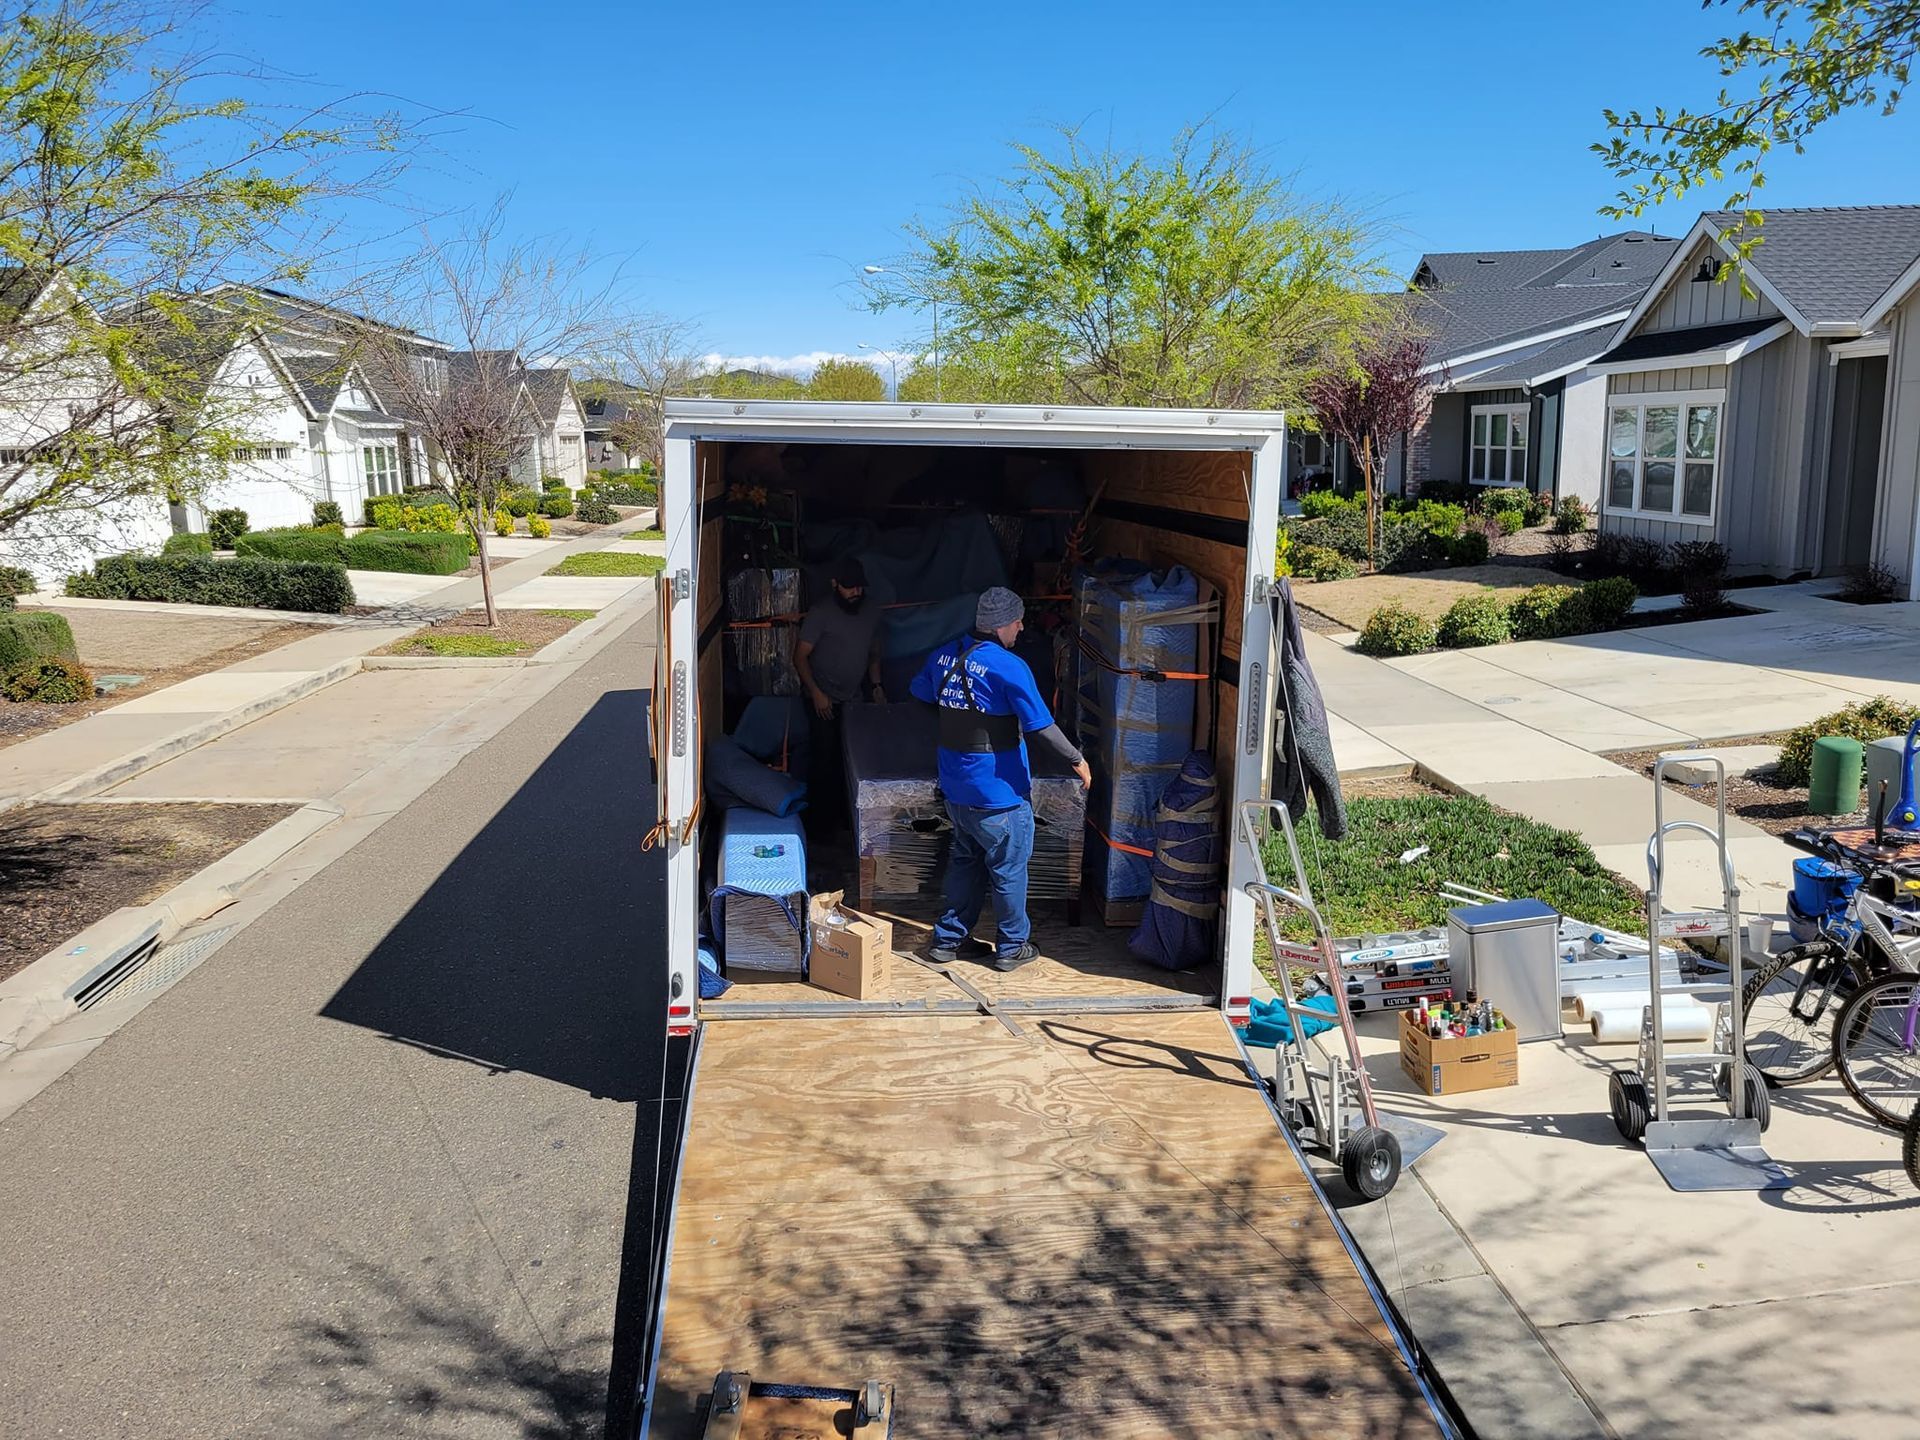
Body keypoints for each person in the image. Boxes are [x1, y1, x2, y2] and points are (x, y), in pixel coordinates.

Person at [910, 586, 1090, 971]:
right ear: (1002, 625)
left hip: (957, 789)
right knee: (1008, 870)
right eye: (1017, 622)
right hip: (999, 794)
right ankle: (1011, 947)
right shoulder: (1009, 666)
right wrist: (1077, 760)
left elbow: (923, 697)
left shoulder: (943, 655)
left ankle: (947, 941)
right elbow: (1041, 726)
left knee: (964, 863)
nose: (1022, 628)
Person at [793, 557, 885, 820]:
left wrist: (877, 686)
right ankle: (820, 827)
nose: (855, 592)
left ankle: (848, 823)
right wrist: (816, 693)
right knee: (823, 760)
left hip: (853, 698)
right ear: (834, 584)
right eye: (849, 587)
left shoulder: (871, 612)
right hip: (822, 698)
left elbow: (874, 654)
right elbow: (799, 657)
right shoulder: (820, 612)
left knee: (852, 760)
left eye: (859, 587)